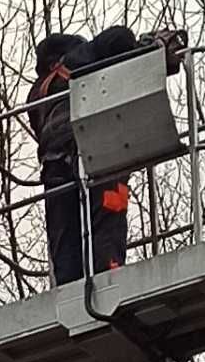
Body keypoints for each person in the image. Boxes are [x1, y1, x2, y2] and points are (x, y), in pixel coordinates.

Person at [26, 24, 141, 288]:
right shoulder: (77, 59)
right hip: (95, 150)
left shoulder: (36, 93)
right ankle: (110, 278)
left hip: (54, 166)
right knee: (107, 213)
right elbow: (119, 36)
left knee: (64, 231)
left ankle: (70, 289)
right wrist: (140, 49)